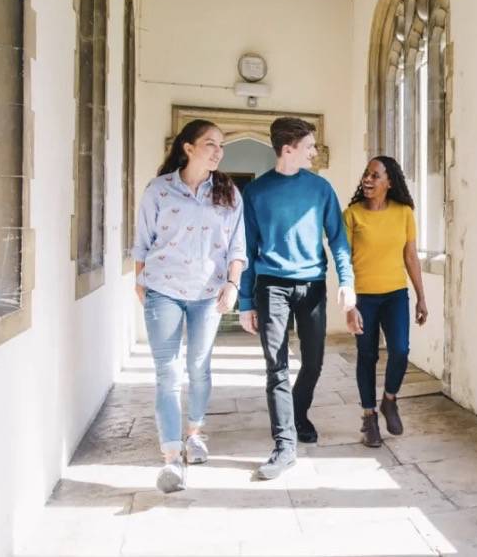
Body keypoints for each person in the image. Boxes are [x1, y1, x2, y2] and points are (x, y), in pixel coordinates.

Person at [238, 117, 356, 480]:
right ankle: (284, 444)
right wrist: (246, 302)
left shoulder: (320, 189)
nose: (315, 152)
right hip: (271, 285)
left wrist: (347, 281)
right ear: (288, 149)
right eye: (309, 146)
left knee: (314, 362)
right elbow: (247, 250)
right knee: (276, 366)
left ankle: (298, 412)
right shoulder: (255, 193)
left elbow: (338, 239)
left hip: (312, 285)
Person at [132, 119, 246, 493]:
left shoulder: (228, 193)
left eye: (222, 145)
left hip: (208, 293)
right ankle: (171, 458)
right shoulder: (159, 190)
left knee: (198, 366)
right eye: (211, 143)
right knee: (167, 372)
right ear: (188, 148)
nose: (218, 152)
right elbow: (142, 241)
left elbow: (237, 246)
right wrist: (140, 280)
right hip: (162, 289)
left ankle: (195, 434)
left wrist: (233, 284)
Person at [343, 156, 427, 447]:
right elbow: (344, 261)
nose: (368, 179)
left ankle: (389, 400)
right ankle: (369, 418)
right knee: (367, 356)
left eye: (375, 175)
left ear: (389, 182)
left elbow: (410, 256)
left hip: (395, 295)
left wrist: (421, 297)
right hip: (363, 298)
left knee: (400, 350)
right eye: (366, 174)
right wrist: (350, 304)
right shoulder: (352, 215)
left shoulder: (404, 213)